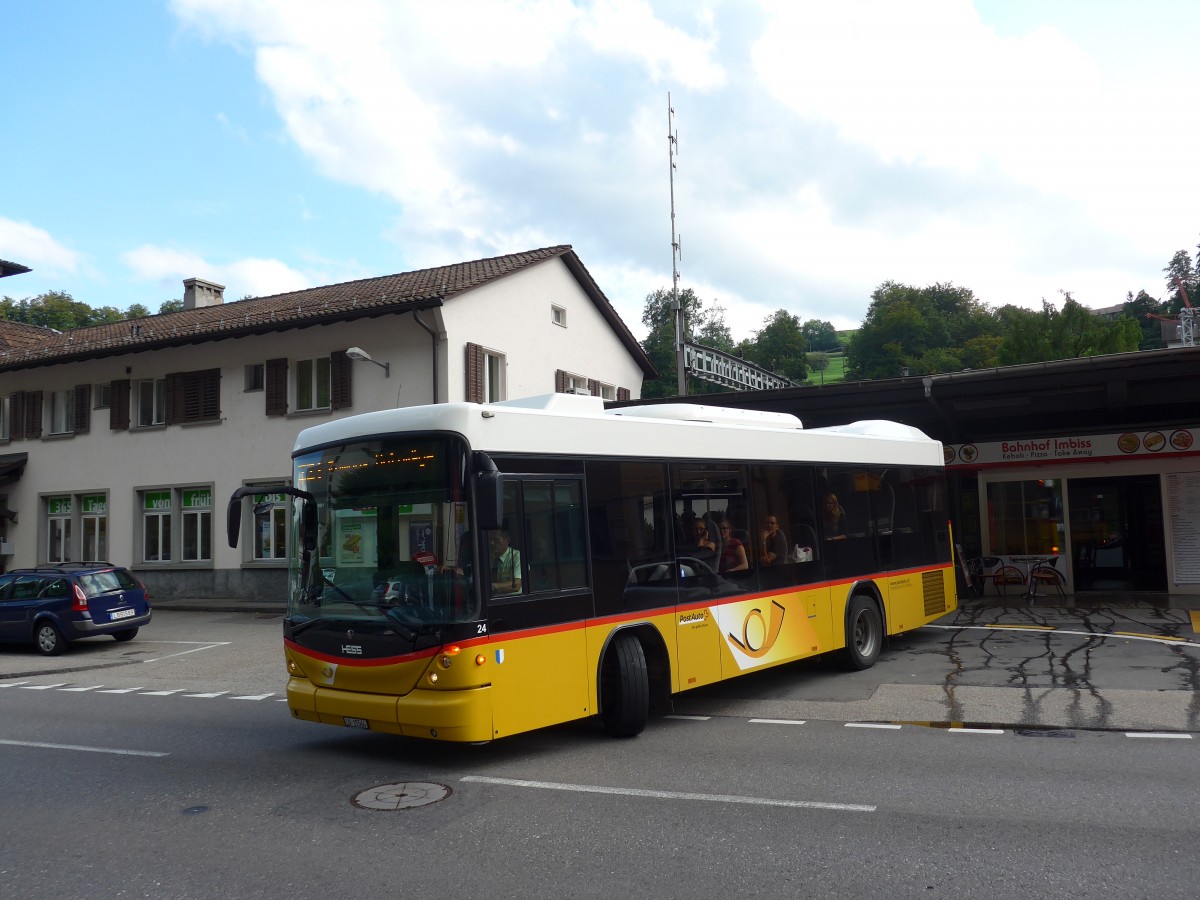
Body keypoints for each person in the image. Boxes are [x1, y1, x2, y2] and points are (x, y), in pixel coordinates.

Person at [489, 528, 522, 595]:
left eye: (496, 540)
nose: (491, 543)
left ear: (507, 540)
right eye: (490, 540)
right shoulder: (489, 558)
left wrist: (492, 586)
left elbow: (516, 585)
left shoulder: (517, 556)